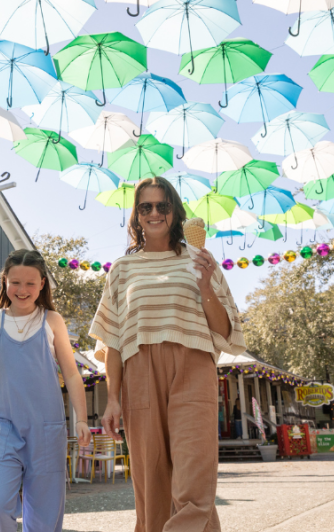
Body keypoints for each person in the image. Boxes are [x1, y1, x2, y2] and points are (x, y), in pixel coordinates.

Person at [90, 177, 246, 532]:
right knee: (151, 480)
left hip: (193, 363)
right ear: (137, 215)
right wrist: (112, 399)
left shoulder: (200, 259)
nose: (155, 213)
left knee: (194, 473)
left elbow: (224, 331)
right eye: (146, 206)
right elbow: (112, 341)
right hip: (139, 371)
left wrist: (205, 285)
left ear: (175, 212)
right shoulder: (121, 269)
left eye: (163, 205)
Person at [0, 249, 91, 532]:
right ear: (5, 281)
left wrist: (80, 418)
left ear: (42, 283)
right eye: (15, 282)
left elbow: (71, 373)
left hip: (47, 428)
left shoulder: (52, 320)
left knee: (45, 518)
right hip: (5, 426)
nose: (22, 290)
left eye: (30, 283)